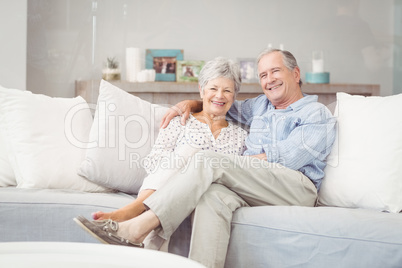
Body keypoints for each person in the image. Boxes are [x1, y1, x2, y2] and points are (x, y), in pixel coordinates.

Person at [74, 48, 337, 268]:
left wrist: (236, 165)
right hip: (257, 187)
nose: (269, 80)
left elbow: (287, 159)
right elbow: (220, 101)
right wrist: (188, 103)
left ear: (296, 73)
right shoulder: (260, 106)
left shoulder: (317, 114)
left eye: (275, 71)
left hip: (295, 189)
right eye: (263, 75)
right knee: (212, 197)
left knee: (208, 160)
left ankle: (137, 225)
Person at [91, 56, 247, 222]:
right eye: (213, 88)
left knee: (196, 156)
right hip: (169, 189)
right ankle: (139, 213)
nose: (219, 95)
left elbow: (239, 179)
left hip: (210, 197)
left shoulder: (241, 136)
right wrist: (185, 170)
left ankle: (135, 212)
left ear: (235, 95)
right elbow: (153, 163)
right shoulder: (180, 121)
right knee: (188, 151)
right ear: (201, 90)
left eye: (227, 91)